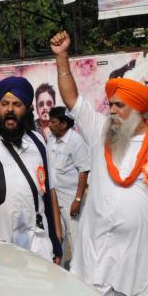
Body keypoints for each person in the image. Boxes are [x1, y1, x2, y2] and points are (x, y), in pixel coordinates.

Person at [50, 31, 148, 296]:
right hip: (95, 252)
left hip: (139, 255)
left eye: (119, 106)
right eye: (110, 105)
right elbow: (72, 98)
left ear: (137, 110)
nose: (111, 111)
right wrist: (62, 58)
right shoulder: (100, 131)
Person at [0, 76, 63, 263]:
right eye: (4, 103)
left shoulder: (38, 141)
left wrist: (56, 241)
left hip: (37, 245)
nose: (10, 110)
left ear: (27, 109)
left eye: (17, 104)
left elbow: (48, 193)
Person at [46, 106, 90, 262]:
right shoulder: (50, 139)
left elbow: (83, 171)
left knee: (75, 238)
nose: (49, 125)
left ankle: (81, 276)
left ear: (63, 124)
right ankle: (62, 274)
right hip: (53, 196)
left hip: (70, 199)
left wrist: (77, 200)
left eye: (53, 122)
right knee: (57, 237)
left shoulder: (76, 141)